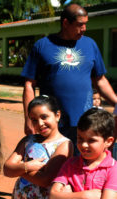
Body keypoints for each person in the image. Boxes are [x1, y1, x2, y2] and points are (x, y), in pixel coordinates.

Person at [21, 4, 117, 147]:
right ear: (66, 23)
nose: (84, 29)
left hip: (85, 122)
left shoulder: (90, 44)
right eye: (80, 24)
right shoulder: (42, 46)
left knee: (82, 164)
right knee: (53, 164)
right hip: (52, 122)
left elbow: (100, 80)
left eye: (85, 24)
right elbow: (29, 84)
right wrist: (29, 119)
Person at [4, 95, 73, 199]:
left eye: (44, 117)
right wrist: (27, 166)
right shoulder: (28, 140)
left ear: (57, 115)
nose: (40, 123)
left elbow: (45, 180)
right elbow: (6, 169)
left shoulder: (64, 144)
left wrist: (19, 169)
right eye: (34, 120)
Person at [50, 108, 117, 199]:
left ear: (109, 141)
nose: (84, 145)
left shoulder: (113, 169)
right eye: (80, 138)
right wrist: (85, 196)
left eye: (91, 140)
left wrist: (67, 196)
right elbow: (53, 195)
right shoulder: (70, 164)